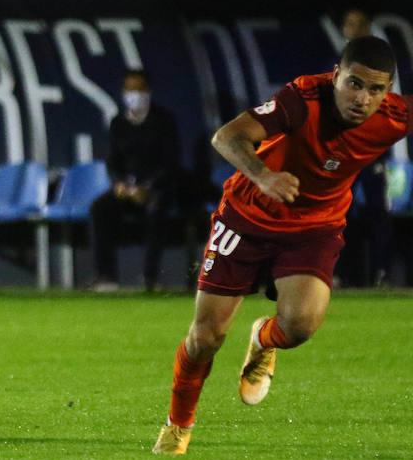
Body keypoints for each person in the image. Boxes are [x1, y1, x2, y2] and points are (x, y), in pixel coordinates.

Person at [152, 36, 413, 455]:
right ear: (336, 77)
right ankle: (178, 425)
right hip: (246, 217)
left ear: (388, 92)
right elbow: (226, 137)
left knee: (302, 325)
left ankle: (264, 340)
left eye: (376, 89)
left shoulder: (397, 117)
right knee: (206, 338)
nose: (363, 99)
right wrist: (262, 175)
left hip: (314, 226)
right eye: (354, 84)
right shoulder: (303, 98)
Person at [89, 69, 180, 292]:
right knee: (99, 209)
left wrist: (147, 187)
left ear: (148, 91)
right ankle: (106, 277)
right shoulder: (118, 123)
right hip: (127, 189)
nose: (134, 95)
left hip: (157, 188)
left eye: (139, 89)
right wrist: (119, 184)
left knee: (156, 208)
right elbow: (113, 161)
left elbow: (170, 162)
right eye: (130, 90)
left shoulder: (164, 121)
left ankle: (150, 278)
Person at [335, 8, 394, 288]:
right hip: (343, 151)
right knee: (339, 213)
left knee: (377, 213)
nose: (352, 29)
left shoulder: (380, 62)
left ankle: (382, 273)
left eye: (358, 24)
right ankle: (340, 274)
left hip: (371, 152)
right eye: (349, 24)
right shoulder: (339, 65)